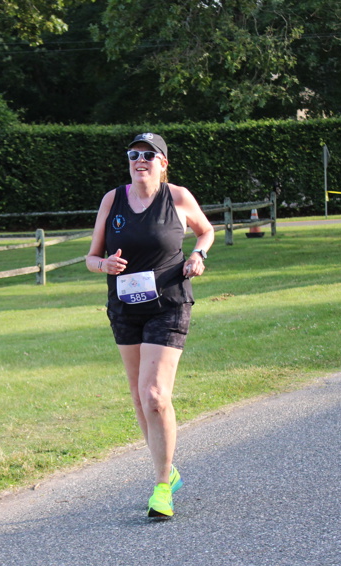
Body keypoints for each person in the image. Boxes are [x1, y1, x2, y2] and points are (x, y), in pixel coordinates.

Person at [86, 132, 214, 518]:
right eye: (133, 155)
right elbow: (91, 257)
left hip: (168, 303)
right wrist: (104, 265)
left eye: (148, 155)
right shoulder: (112, 199)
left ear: (163, 163)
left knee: (156, 395)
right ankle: (168, 469)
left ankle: (161, 487)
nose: (140, 160)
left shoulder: (177, 197)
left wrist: (198, 255)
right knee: (140, 397)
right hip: (125, 306)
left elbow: (205, 230)